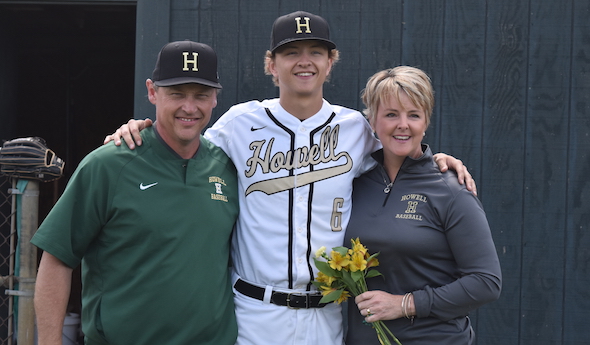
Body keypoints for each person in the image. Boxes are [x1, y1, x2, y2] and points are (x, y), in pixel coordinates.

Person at [104, 12, 476, 345]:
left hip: (328, 315)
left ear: (331, 63)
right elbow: (182, 148)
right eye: (290, 52)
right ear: (271, 64)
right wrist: (139, 128)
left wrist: (438, 159)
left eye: (316, 51)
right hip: (254, 311)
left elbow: (402, 148)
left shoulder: (355, 130)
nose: (304, 61)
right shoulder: (239, 123)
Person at [31, 41, 239, 345]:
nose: (189, 107)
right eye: (177, 94)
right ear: (152, 92)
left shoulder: (227, 168)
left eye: (201, 95)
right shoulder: (107, 165)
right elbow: (57, 259)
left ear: (215, 99)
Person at [345, 66, 502, 344]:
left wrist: (404, 304)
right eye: (391, 114)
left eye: (413, 115)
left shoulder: (451, 190)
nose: (403, 124)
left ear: (426, 121)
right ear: (372, 121)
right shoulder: (353, 182)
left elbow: (486, 282)